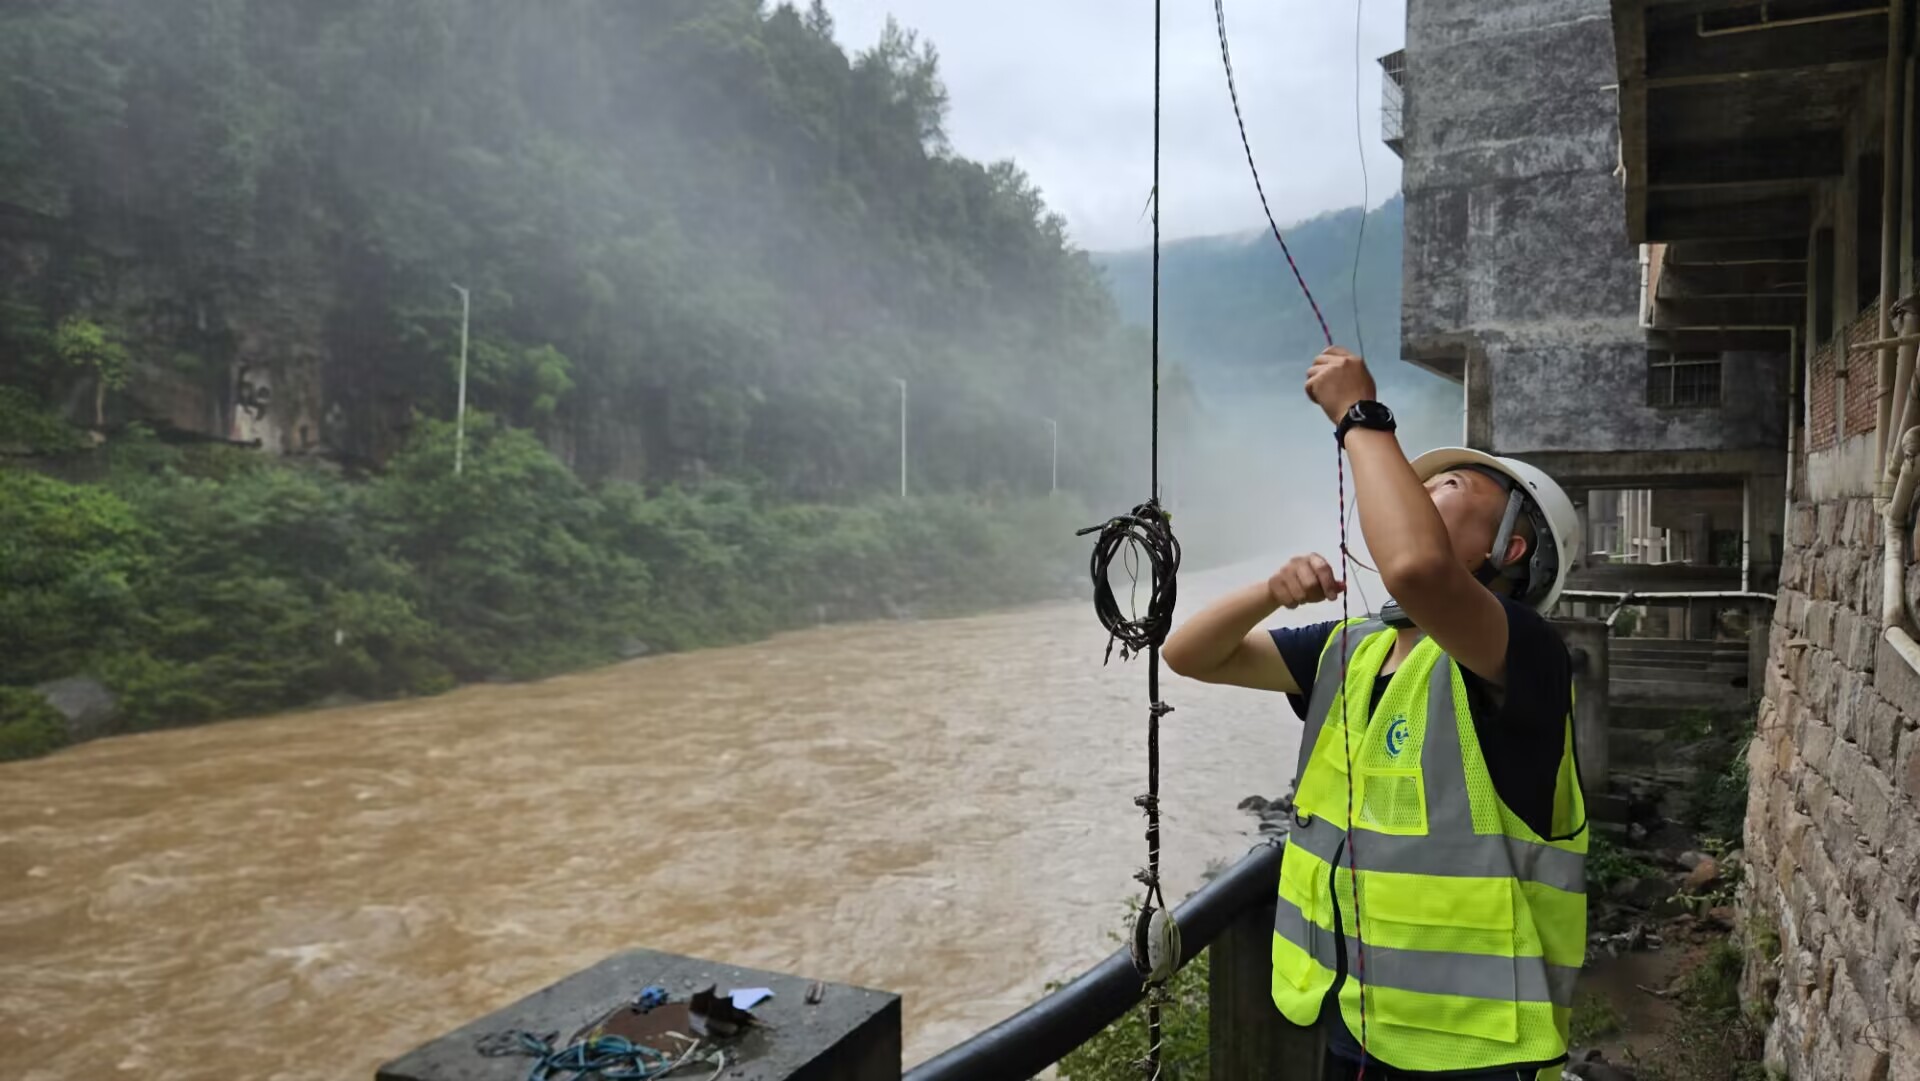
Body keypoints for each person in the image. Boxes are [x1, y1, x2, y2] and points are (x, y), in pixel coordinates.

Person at [1163, 347, 1588, 1081]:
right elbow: (1189, 653)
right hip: (1358, 1025)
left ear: (1508, 546)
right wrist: (1271, 590)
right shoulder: (1352, 649)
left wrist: (1361, 414)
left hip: (1478, 1051)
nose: (1419, 499)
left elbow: (1418, 568)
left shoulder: (1527, 655)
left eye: (1447, 486)